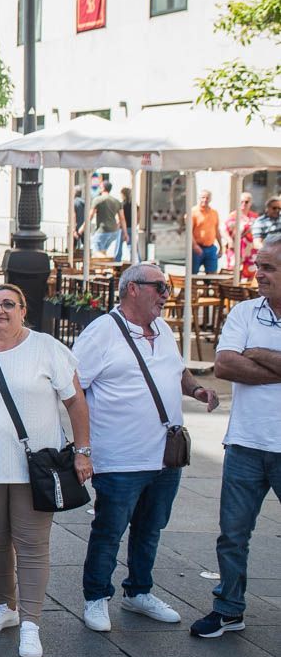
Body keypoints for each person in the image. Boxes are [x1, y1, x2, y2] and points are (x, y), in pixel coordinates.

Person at [73, 263, 219, 633]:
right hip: (121, 456)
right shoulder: (102, 332)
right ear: (132, 289)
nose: (167, 295)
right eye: (161, 287)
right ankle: (96, 597)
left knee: (150, 528)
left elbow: (177, 370)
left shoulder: (163, 330)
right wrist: (83, 447)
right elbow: (73, 388)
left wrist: (195, 390)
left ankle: (138, 592)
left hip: (165, 456)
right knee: (110, 529)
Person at [0, 283, 93, 657]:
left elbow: (76, 403)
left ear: (23, 310)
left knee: (32, 544)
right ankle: (7, 606)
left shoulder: (47, 348)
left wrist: (82, 452)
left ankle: (32, 623)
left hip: (34, 465)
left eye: (8, 304)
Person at [196, 237, 281, 638]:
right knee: (233, 534)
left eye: (268, 268)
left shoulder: (248, 322)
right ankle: (229, 609)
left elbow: (241, 358)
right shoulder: (246, 311)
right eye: (259, 265)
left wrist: (256, 351)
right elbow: (225, 364)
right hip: (246, 443)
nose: (258, 274)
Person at [222, 191, 259, 281]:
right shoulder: (233, 215)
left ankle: (247, 293)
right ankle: (233, 293)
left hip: (250, 250)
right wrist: (229, 240)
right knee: (233, 272)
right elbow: (224, 230)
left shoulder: (254, 216)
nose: (244, 204)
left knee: (250, 272)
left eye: (246, 202)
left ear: (250, 203)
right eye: (241, 201)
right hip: (236, 248)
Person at [89, 181, 125, 259]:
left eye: (100, 186)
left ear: (103, 188)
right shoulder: (116, 201)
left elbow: (90, 215)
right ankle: (101, 270)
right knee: (102, 250)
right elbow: (122, 218)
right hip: (114, 231)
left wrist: (82, 228)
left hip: (102, 230)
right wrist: (125, 233)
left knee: (95, 251)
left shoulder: (98, 200)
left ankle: (110, 262)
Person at [191, 189, 220, 275]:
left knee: (212, 274)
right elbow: (189, 232)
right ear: (199, 198)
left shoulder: (214, 212)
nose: (205, 200)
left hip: (210, 248)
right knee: (193, 274)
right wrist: (195, 246)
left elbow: (217, 230)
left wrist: (221, 246)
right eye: (203, 197)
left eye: (207, 198)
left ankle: (208, 288)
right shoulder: (193, 212)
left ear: (210, 199)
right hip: (197, 248)